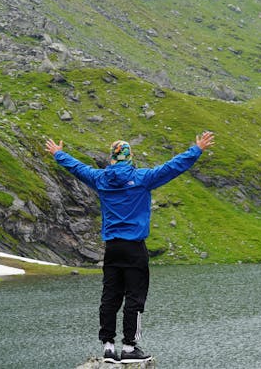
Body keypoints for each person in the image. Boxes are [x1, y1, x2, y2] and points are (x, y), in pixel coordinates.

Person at [45, 131, 215, 364]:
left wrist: (58, 154)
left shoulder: (100, 178)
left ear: (112, 158)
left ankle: (107, 347)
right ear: (130, 156)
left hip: (112, 247)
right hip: (134, 247)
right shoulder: (143, 178)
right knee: (134, 297)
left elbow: (77, 168)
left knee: (110, 296)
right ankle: (128, 347)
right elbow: (172, 167)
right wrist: (196, 149)